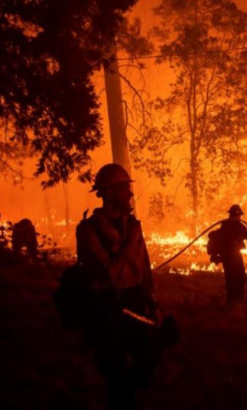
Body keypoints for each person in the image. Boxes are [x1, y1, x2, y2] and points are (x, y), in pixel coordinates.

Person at [75, 163, 161, 410]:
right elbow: (109, 277)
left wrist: (153, 304)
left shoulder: (133, 226)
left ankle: (126, 395)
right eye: (124, 189)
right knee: (115, 369)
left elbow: (144, 270)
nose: (130, 194)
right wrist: (129, 243)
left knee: (151, 353)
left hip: (134, 301)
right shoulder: (88, 231)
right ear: (109, 192)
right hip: (106, 306)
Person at [214, 204, 247, 304]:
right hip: (234, 255)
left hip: (225, 256)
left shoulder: (224, 225)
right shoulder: (239, 226)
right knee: (240, 277)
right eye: (239, 215)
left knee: (229, 277)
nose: (239, 217)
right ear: (238, 215)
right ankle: (238, 299)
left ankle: (230, 299)